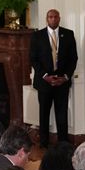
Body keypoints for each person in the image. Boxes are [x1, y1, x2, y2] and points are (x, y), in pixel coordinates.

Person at [29, 9, 78, 147]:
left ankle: (63, 143)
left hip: (62, 82)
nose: (53, 19)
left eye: (56, 17)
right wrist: (45, 76)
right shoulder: (37, 36)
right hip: (44, 82)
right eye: (50, 17)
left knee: (62, 114)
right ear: (47, 19)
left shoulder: (68, 34)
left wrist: (66, 77)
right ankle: (44, 143)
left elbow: (73, 59)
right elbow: (33, 59)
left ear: (59, 18)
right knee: (43, 114)